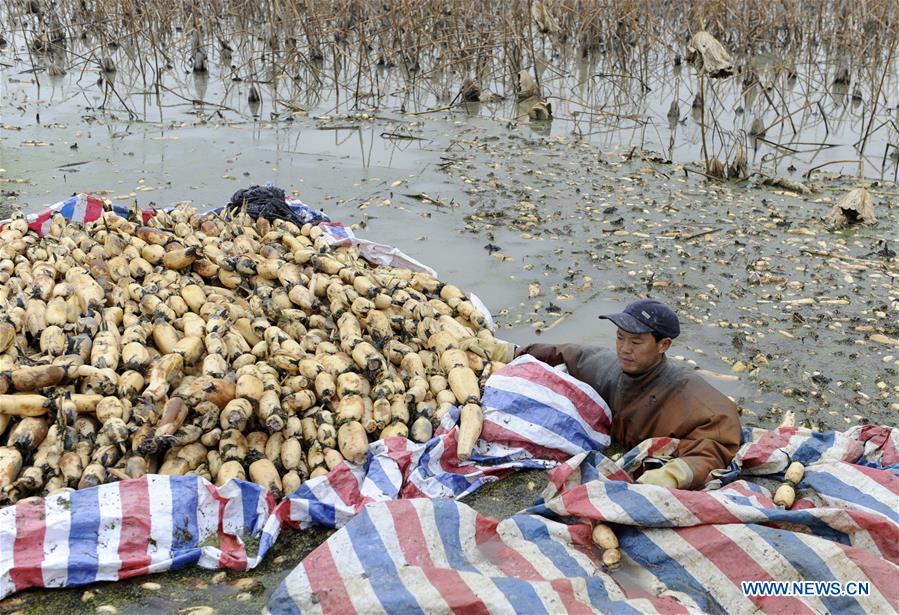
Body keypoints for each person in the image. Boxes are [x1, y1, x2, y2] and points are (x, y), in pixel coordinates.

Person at [462, 300, 742, 489]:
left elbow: (719, 441)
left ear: (663, 345)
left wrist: (672, 475)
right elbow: (570, 354)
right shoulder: (612, 369)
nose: (624, 349)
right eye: (620, 338)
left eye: (636, 341)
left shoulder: (691, 397)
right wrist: (511, 352)